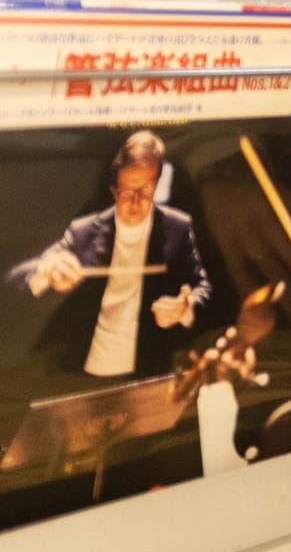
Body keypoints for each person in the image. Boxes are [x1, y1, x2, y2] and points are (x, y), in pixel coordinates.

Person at [10, 130, 214, 377]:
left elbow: (204, 287)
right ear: (114, 190)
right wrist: (47, 268)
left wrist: (186, 306)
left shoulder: (176, 227)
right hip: (78, 369)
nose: (135, 203)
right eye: (127, 191)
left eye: (145, 191)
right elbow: (18, 279)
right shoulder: (85, 230)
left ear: (157, 185)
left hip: (149, 368)